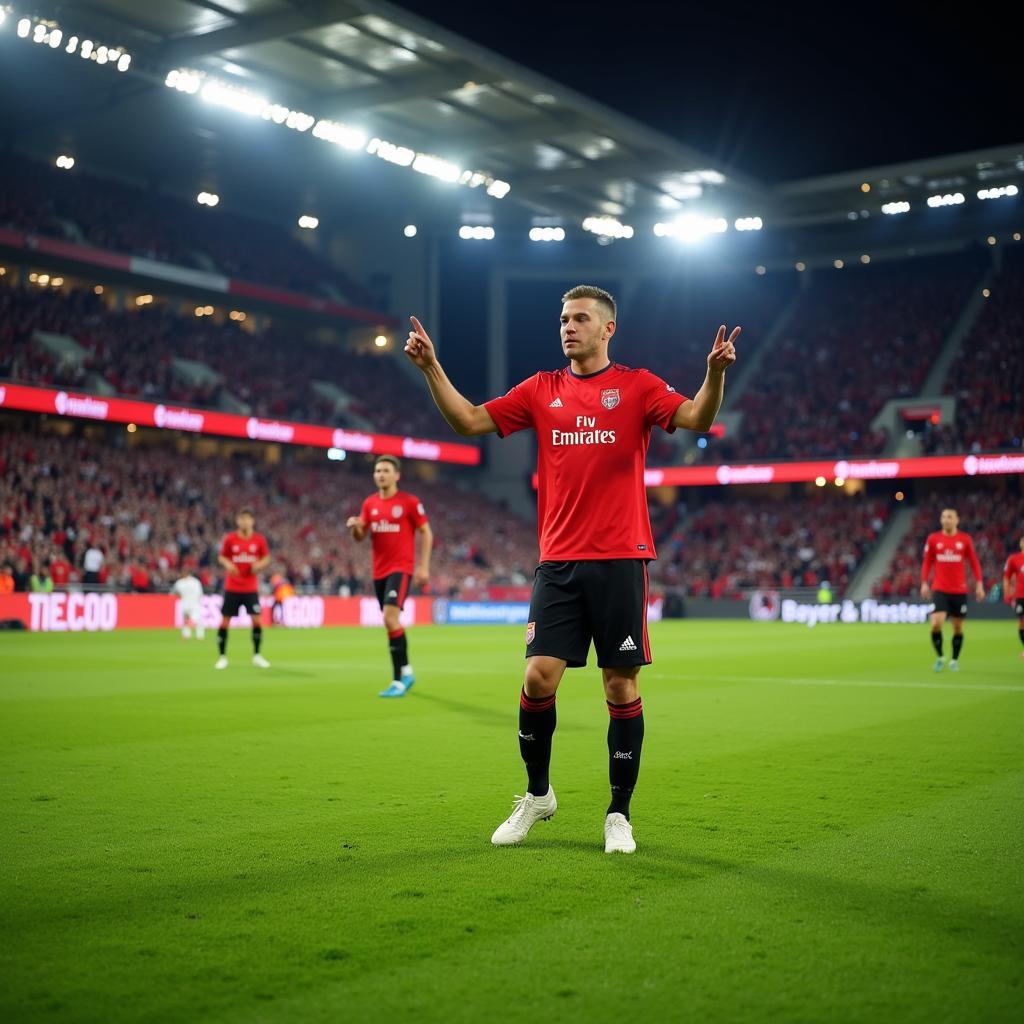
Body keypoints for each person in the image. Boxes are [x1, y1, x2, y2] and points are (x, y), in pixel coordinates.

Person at [404, 285, 738, 854]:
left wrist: (714, 375)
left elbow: (697, 418)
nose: (568, 326)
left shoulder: (637, 386)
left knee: (620, 682)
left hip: (620, 560)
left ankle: (618, 814)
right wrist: (432, 367)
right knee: (538, 677)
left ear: (609, 329)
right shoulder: (541, 389)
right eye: (563, 318)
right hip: (557, 562)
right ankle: (538, 795)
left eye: (581, 318)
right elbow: (468, 421)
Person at [346, 455, 432, 698]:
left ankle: (398, 680)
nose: (381, 474)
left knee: (389, 618)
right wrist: (357, 527)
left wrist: (423, 567)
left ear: (397, 475)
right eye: (377, 470)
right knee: (390, 623)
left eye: (385, 470)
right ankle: (406, 671)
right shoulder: (369, 504)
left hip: (401, 568)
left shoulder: (409, 502)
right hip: (379, 571)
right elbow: (360, 538)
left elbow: (426, 532)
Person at [920, 507, 985, 672]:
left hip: (959, 590)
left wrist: (979, 584)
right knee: (936, 623)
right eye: (943, 517)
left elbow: (974, 562)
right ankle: (941, 657)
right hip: (940, 588)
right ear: (941, 520)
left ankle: (954, 660)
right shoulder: (934, 539)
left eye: (950, 517)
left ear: (957, 520)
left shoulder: (964, 539)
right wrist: (924, 582)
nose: (946, 519)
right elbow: (927, 562)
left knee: (957, 627)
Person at [215, 508, 271, 669]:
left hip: (250, 587)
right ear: (237, 521)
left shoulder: (259, 540)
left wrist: (259, 565)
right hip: (232, 586)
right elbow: (221, 556)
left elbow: (266, 557)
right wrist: (228, 564)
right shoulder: (230, 539)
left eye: (247, 519)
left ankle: (257, 655)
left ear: (252, 521)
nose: (244, 522)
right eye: (241, 519)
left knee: (256, 620)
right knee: (225, 621)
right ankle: (222, 656)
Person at [1002, 535, 1024, 660]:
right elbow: (1007, 577)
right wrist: (1007, 594)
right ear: (1021, 544)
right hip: (1020, 596)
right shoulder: (1014, 559)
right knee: (1021, 624)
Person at [172, 570, 205, 641]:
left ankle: (186, 635)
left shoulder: (179, 583)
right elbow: (200, 594)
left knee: (186, 620)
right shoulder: (196, 582)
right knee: (197, 620)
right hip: (195, 604)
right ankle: (200, 636)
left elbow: (175, 593)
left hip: (185, 604)